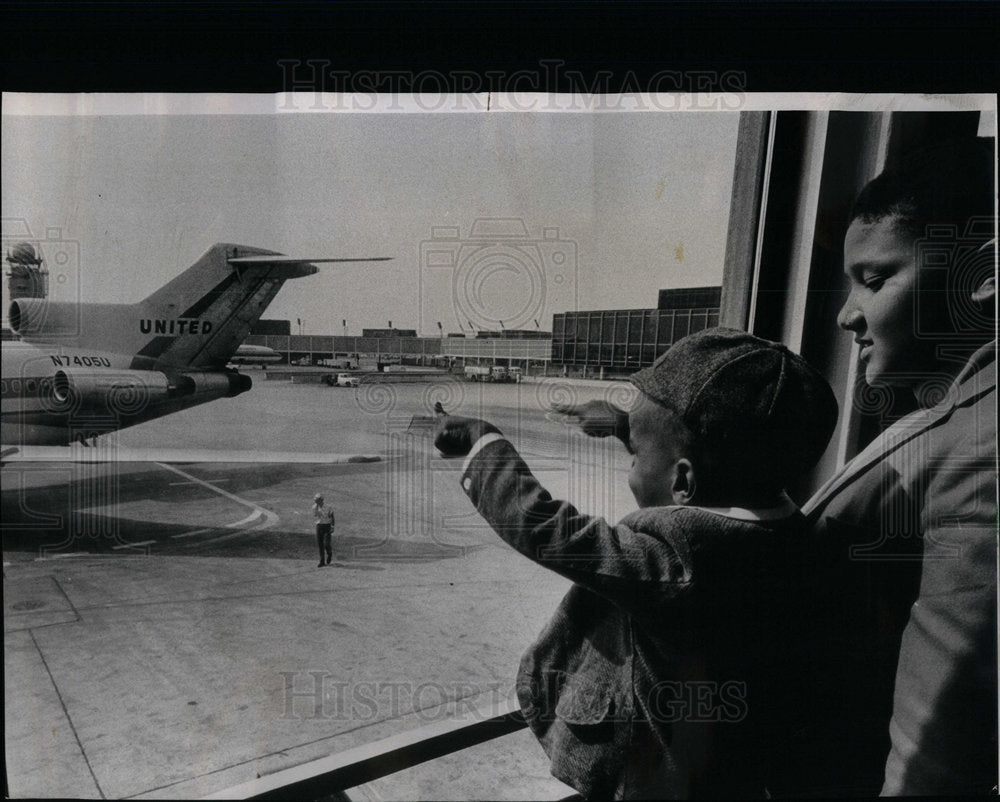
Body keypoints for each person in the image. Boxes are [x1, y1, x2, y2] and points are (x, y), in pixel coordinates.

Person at [434, 327, 839, 799]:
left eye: (636, 458)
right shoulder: (794, 537)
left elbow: (544, 529)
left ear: (683, 482)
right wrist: (629, 427)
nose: (631, 465)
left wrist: (484, 444)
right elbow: (711, 449)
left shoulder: (679, 559)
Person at [793, 138, 997, 796]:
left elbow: (937, 754)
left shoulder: (979, 450)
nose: (845, 314)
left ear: (985, 276)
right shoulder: (962, 410)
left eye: (874, 279)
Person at [312, 493, 335, 567]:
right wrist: (316, 508)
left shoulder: (328, 507)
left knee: (326, 544)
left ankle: (329, 553)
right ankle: (322, 561)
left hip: (327, 526)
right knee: (320, 544)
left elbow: (332, 517)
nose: (316, 502)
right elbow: (315, 516)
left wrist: (332, 526)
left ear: (321, 500)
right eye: (315, 500)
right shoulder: (314, 507)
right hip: (319, 526)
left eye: (318, 500)